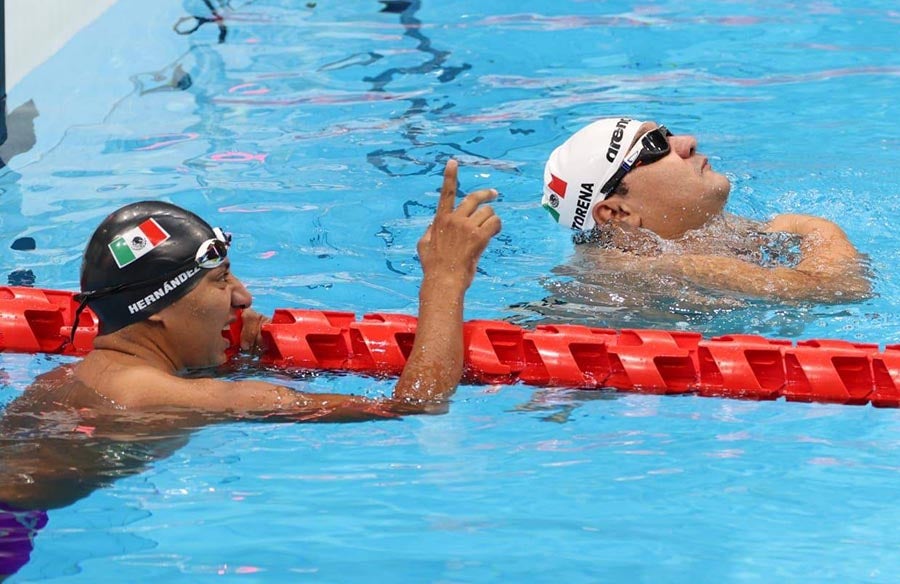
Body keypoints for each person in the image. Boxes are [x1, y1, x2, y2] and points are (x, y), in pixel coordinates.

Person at [0, 160, 500, 579]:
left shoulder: (66, 380)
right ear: (158, 308)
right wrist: (446, 277)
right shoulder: (178, 399)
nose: (244, 297)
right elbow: (415, 404)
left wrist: (231, 358)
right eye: (220, 282)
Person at [540, 117, 871, 304]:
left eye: (666, 134)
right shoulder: (669, 267)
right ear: (617, 213)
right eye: (655, 146)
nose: (686, 142)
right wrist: (818, 227)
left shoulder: (678, 241)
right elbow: (838, 288)